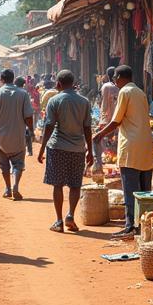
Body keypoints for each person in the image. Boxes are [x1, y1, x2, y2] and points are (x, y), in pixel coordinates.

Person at [93, 65, 153, 238]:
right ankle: (144, 225)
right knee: (145, 191)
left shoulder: (125, 92)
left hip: (131, 146)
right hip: (145, 145)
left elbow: (116, 121)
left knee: (130, 189)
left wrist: (99, 134)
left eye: (115, 78)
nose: (114, 81)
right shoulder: (140, 92)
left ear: (119, 77)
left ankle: (130, 226)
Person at [38, 70, 93, 232]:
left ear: (59, 84)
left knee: (58, 185)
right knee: (75, 184)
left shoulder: (54, 100)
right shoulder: (84, 101)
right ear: (73, 82)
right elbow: (87, 128)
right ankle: (70, 215)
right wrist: (90, 150)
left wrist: (42, 148)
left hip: (58, 147)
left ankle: (59, 221)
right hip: (77, 149)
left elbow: (49, 126)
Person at [0, 69, 34, 200]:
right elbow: (28, 117)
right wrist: (31, 131)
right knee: (18, 164)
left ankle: (8, 189)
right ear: (13, 79)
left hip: (1, 138)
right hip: (18, 136)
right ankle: (15, 186)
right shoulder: (23, 94)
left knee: (4, 165)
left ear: (1, 80)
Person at [94, 66, 119, 166]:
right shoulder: (119, 86)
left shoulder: (105, 86)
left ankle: (107, 155)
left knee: (106, 137)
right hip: (118, 115)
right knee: (116, 136)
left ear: (107, 75)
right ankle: (115, 155)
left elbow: (103, 103)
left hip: (108, 115)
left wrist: (102, 118)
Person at [15, 77, 34, 154]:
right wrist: (32, 129)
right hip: (23, 119)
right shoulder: (24, 93)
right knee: (27, 133)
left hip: (13, 120)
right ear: (23, 84)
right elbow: (28, 113)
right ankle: (29, 150)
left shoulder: (10, 92)